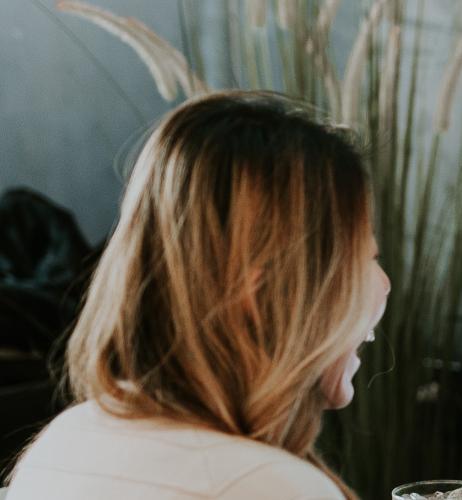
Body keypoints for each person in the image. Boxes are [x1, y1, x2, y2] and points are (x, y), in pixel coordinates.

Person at [4, 91, 389, 499]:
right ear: (258, 291)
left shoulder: (62, 443)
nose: (384, 283)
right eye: (364, 259)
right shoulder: (270, 488)